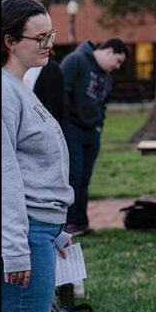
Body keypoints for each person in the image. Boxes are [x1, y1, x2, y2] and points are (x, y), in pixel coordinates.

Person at [1, 0, 75, 312]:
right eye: (40, 37)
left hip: (39, 230)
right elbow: (4, 176)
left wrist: (56, 227)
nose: (50, 44)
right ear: (9, 41)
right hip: (22, 236)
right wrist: (14, 249)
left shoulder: (20, 87)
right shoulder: (5, 92)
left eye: (52, 35)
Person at [60, 37, 129, 236]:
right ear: (109, 51)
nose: (117, 67)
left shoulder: (106, 77)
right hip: (73, 129)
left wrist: (99, 126)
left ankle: (82, 222)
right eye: (117, 61)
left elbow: (103, 104)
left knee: (84, 178)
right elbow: (63, 94)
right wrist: (66, 126)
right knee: (73, 176)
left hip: (92, 132)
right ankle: (70, 222)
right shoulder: (76, 61)